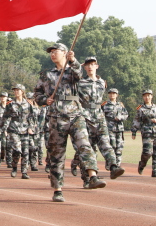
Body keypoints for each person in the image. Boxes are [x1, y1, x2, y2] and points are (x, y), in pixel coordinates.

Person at [34, 43, 105, 203]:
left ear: (65, 53)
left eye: (56, 51)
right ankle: (57, 189)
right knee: (57, 154)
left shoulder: (72, 70)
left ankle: (92, 176)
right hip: (56, 117)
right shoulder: (46, 74)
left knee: (84, 145)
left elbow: (79, 74)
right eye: (51, 52)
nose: (52, 54)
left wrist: (73, 60)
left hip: (75, 115)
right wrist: (45, 99)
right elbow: (37, 93)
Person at [73, 57, 125, 187]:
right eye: (87, 65)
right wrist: (76, 65)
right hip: (85, 116)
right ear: (84, 67)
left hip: (99, 116)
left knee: (105, 142)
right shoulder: (80, 82)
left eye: (93, 64)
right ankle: (87, 179)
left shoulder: (102, 82)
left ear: (97, 66)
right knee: (88, 149)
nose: (90, 67)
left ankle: (113, 166)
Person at [0, 85, 35, 179]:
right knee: (17, 150)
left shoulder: (28, 104)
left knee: (25, 152)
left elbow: (32, 118)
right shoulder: (10, 104)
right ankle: (14, 167)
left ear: (22, 92)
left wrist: (31, 128)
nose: (16, 92)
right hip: (14, 129)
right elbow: (4, 117)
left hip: (25, 130)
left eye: (18, 90)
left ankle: (24, 172)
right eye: (15, 90)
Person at [131, 90, 156, 178]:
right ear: (143, 97)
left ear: (151, 96)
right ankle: (142, 164)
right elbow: (137, 120)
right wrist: (134, 131)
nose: (147, 97)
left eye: (149, 95)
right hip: (147, 133)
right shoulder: (140, 109)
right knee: (147, 152)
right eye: (145, 96)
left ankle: (155, 171)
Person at [102, 88, 128, 168]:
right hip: (109, 128)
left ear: (117, 95)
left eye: (114, 93)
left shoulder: (120, 105)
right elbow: (101, 116)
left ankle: (118, 165)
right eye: (110, 93)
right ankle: (110, 163)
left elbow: (126, 115)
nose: (112, 95)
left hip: (119, 128)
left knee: (119, 147)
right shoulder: (105, 105)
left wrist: (120, 117)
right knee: (112, 146)